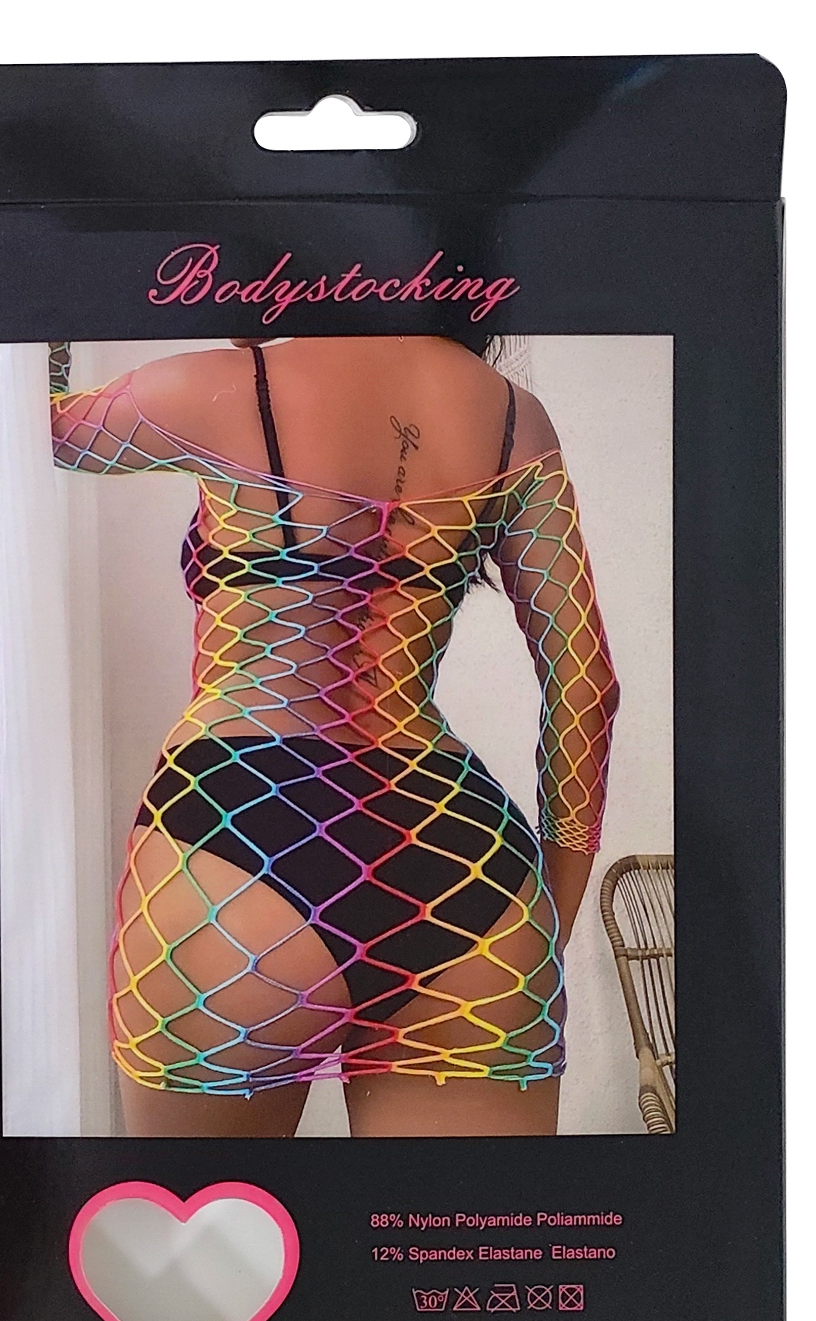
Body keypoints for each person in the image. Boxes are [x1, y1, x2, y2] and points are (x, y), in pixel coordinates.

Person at [52, 334, 617, 1137]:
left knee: (214, 1222)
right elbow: (586, 686)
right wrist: (546, 922)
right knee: (455, 1225)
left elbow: (19, 428)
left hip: (239, 831)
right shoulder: (514, 419)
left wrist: (52, 332)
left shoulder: (219, 385)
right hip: (461, 862)